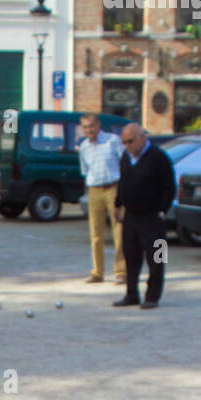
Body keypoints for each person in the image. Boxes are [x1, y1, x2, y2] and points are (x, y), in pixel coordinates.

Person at [113, 123, 176, 309]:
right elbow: (122, 181)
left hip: (153, 216)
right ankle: (131, 294)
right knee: (130, 256)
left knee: (157, 257)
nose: (127, 146)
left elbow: (169, 187)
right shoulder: (126, 157)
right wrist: (118, 204)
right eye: (124, 142)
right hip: (131, 216)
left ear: (142, 137)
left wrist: (162, 211)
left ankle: (153, 296)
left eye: (130, 141)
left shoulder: (159, 157)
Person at [78, 114, 126, 285]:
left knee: (119, 231)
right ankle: (97, 272)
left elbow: (125, 164)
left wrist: (122, 190)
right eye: (85, 127)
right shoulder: (83, 147)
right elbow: (85, 171)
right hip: (94, 190)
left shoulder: (112, 141)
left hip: (113, 188)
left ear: (98, 125)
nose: (89, 130)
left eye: (91, 126)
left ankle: (121, 272)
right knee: (95, 233)